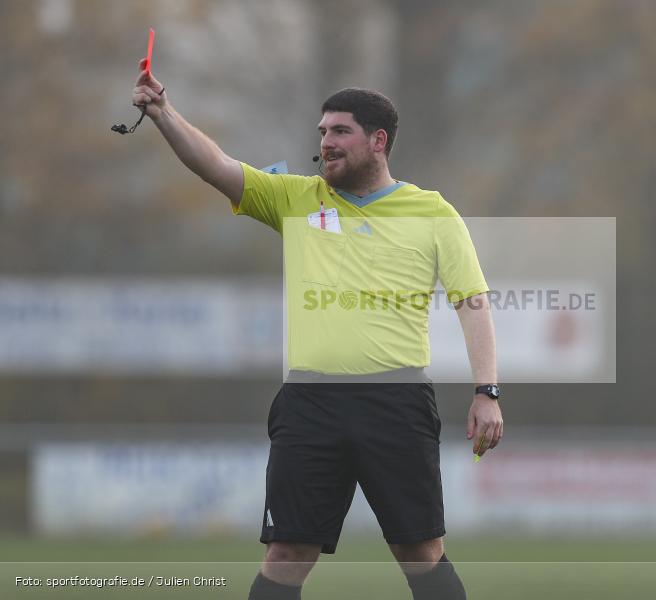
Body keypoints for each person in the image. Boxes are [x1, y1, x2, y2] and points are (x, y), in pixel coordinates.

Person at [131, 58, 503, 600]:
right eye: (322, 131)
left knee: (421, 553)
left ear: (378, 141)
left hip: (396, 402)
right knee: (286, 554)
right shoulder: (298, 199)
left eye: (340, 131)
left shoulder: (432, 212)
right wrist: (163, 113)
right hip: (310, 403)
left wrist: (486, 391)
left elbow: (473, 304)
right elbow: (216, 167)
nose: (326, 141)